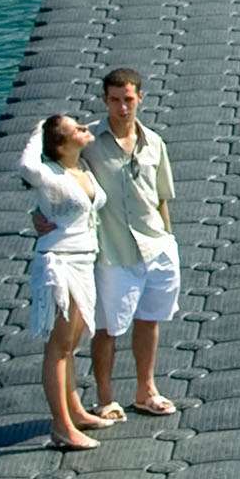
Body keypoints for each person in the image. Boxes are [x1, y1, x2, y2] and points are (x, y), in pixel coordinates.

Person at [81, 66, 182, 421]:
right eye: (114, 101)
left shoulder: (154, 143)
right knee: (107, 327)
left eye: (128, 100)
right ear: (105, 101)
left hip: (155, 246)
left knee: (149, 319)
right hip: (114, 251)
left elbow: (162, 197)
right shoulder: (89, 144)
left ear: (140, 98)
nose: (122, 108)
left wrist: (168, 239)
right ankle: (105, 398)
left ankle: (146, 390)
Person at [18, 112, 107, 451]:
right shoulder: (50, 175)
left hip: (85, 259)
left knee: (72, 343)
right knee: (59, 346)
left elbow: (104, 123)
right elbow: (25, 167)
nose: (85, 129)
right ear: (60, 142)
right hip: (59, 262)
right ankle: (62, 426)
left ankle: (76, 411)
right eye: (76, 128)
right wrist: (38, 127)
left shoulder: (81, 168)